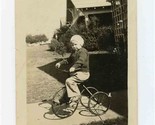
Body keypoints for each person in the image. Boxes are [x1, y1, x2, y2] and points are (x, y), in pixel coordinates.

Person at [55, 35, 90, 103]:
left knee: (69, 81)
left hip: (83, 73)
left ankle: (76, 95)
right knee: (68, 85)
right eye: (72, 45)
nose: (73, 46)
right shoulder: (74, 52)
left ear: (80, 43)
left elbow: (81, 61)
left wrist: (74, 67)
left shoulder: (83, 51)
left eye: (75, 44)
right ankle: (65, 99)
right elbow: (68, 60)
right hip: (77, 73)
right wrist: (60, 63)